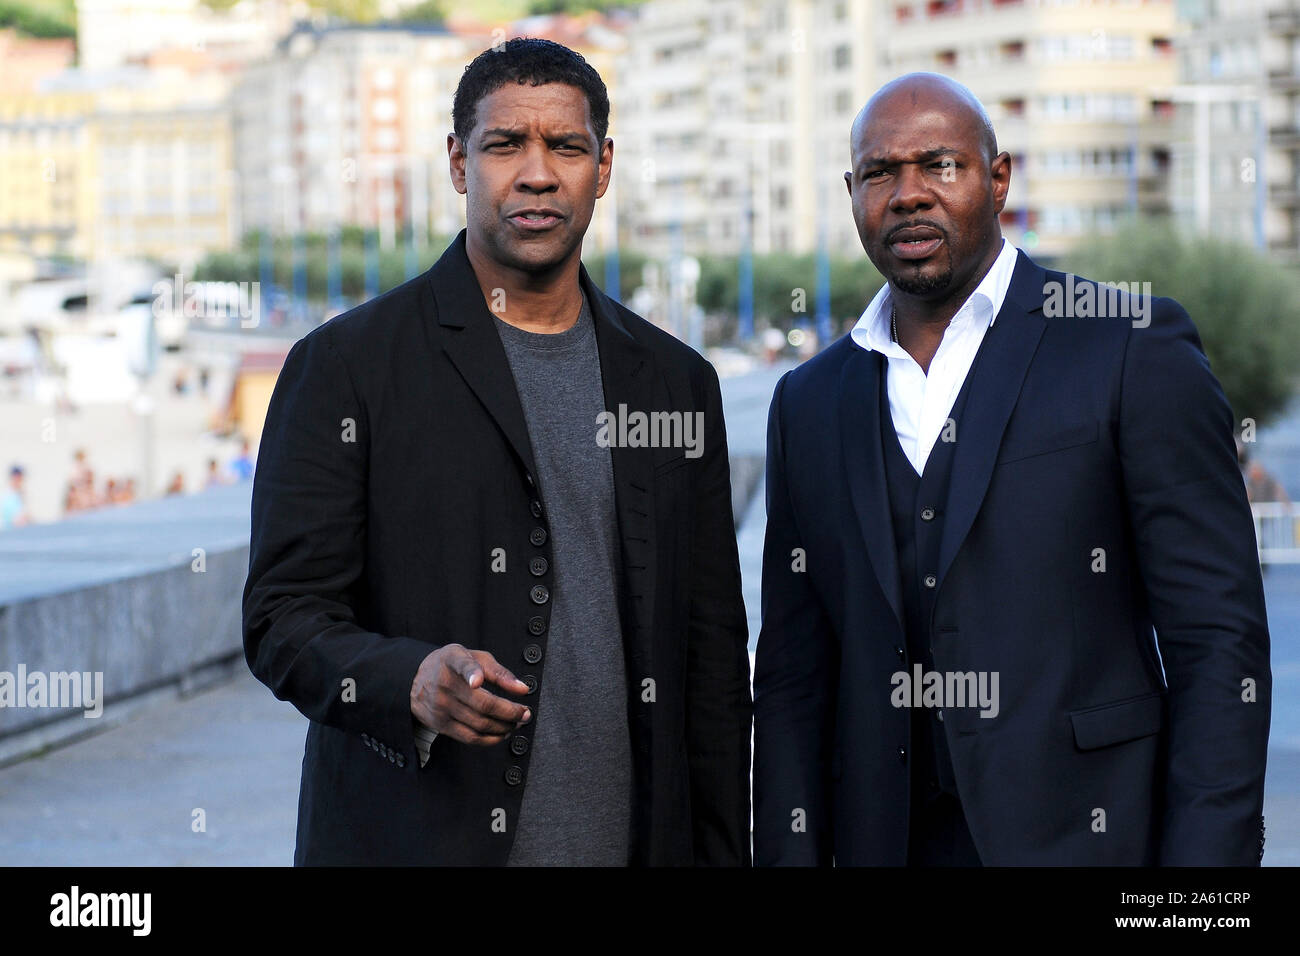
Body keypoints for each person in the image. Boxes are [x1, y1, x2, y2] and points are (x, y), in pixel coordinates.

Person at [243, 38, 752, 866]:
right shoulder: (346, 367)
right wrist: (407, 681)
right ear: (458, 163)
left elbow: (713, 667)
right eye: (505, 144)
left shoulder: (676, 382)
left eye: (567, 146)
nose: (538, 173)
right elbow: (280, 619)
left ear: (605, 166)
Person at [753, 73, 1271, 866]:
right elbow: (793, 677)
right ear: (852, 192)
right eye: (881, 173)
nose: (910, 194)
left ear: (998, 180)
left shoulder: (1128, 344)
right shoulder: (808, 401)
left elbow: (1217, 641)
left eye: (941, 165)